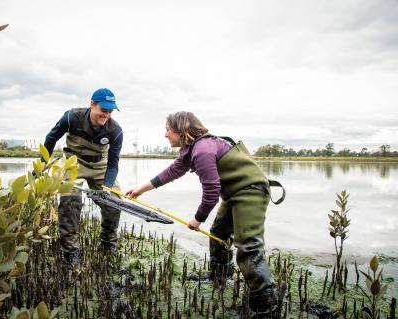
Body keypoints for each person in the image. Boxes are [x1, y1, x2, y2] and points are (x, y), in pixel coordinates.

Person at [126, 111, 283, 317]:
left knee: (248, 248)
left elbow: (210, 192)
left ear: (182, 130)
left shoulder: (202, 150)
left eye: (168, 130)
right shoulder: (191, 149)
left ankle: (265, 307)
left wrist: (197, 219)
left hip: (251, 192)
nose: (165, 134)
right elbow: (170, 173)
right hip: (234, 194)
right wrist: (140, 190)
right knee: (218, 232)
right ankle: (220, 276)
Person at [43, 88, 123, 265]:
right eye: (103, 110)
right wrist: (42, 163)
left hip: (100, 166)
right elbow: (51, 138)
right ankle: (70, 251)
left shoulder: (115, 131)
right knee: (70, 200)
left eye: (110, 111)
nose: (106, 115)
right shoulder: (71, 117)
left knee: (114, 200)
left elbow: (113, 164)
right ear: (92, 104)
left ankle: (108, 244)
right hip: (73, 162)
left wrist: (107, 187)